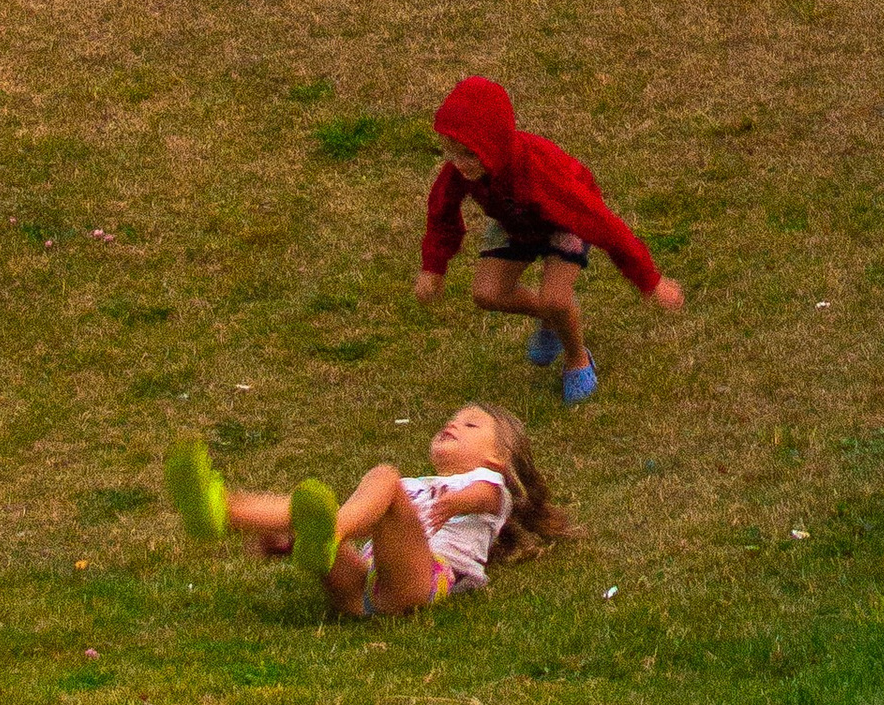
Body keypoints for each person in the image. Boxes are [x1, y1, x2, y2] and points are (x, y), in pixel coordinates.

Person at [417, 71, 685, 406]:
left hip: (562, 222)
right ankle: (551, 320)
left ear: (494, 146)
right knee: (487, 293)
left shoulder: (542, 174)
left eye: (469, 154)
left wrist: (650, 281)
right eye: (452, 152)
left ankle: (577, 358)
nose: (459, 164)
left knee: (556, 299)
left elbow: (604, 225)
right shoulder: (460, 172)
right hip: (515, 222)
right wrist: (433, 267)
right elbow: (441, 212)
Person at [163, 399, 566, 616]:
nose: (453, 425)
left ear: (498, 458)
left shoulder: (491, 486)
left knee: (383, 477)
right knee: (324, 508)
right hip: (361, 587)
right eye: (452, 420)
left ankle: (328, 531)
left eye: (471, 425)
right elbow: (370, 517)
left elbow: (485, 498)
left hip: (419, 583)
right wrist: (292, 541)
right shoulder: (414, 486)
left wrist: (457, 501)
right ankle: (222, 509)